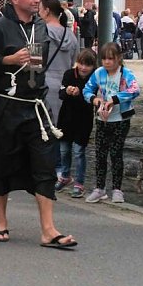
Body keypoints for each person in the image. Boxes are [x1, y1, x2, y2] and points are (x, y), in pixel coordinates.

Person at [0, 0, 77, 249]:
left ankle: (48, 230)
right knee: (0, 163)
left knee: (45, 165)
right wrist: (7, 60)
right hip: (6, 106)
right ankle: (1, 221)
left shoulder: (41, 27)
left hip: (36, 107)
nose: (37, 0)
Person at [82, 42, 140, 204]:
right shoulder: (99, 73)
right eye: (104, 59)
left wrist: (115, 99)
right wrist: (94, 99)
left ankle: (117, 189)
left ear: (118, 58)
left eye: (111, 58)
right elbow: (87, 90)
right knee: (100, 154)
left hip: (120, 119)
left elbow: (135, 90)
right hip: (102, 119)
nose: (107, 62)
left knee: (116, 154)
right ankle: (100, 188)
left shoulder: (126, 74)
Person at [56, 49, 97, 198]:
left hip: (83, 120)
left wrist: (80, 94)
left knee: (79, 151)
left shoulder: (94, 78)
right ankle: (65, 176)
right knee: (64, 150)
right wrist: (67, 91)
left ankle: (79, 182)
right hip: (66, 118)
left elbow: (90, 100)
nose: (83, 68)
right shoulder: (69, 74)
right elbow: (60, 94)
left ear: (93, 66)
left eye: (88, 65)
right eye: (81, 63)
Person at [39, 0, 79, 141]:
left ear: (47, 11)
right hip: (64, 88)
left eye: (40, 10)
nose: (38, 13)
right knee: (60, 129)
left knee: (44, 129)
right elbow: (74, 61)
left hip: (43, 85)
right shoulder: (71, 36)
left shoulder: (40, 33)